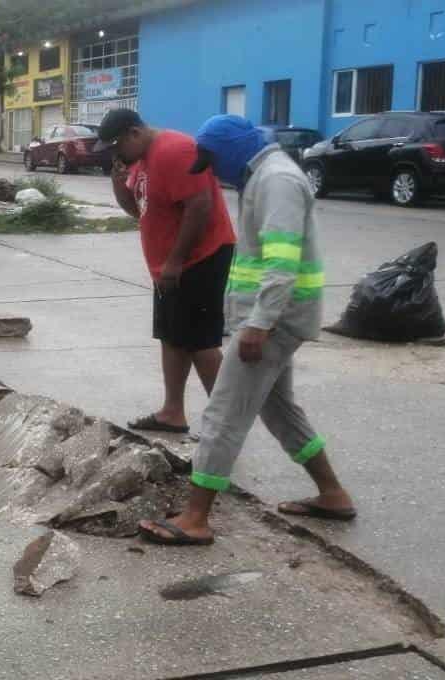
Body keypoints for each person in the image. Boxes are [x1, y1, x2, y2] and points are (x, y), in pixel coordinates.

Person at [139, 115, 356, 546]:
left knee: (223, 411)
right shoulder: (262, 178)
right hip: (273, 318)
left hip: (275, 321)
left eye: (214, 163)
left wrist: (259, 323)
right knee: (279, 410)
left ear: (232, 151)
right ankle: (333, 493)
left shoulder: (276, 182)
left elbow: (281, 263)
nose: (214, 174)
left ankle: (196, 518)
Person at [93, 108, 236, 435]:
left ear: (133, 133)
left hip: (200, 258)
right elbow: (137, 210)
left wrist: (175, 261)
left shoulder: (175, 149)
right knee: (171, 337)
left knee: (200, 342)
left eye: (116, 147)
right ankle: (173, 412)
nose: (115, 154)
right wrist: (118, 183)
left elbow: (200, 206)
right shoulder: (139, 161)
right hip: (169, 265)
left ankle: (228, 425)